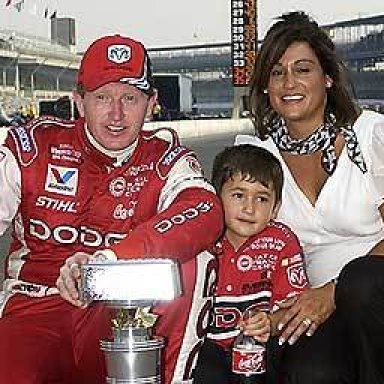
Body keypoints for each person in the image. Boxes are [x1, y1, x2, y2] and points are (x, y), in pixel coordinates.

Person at [0, 34, 223, 383]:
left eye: (130, 98)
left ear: (152, 104)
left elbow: (204, 210)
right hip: (34, 308)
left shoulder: (165, 160)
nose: (116, 114)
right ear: (79, 101)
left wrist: (107, 261)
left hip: (121, 313)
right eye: (102, 97)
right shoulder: (30, 148)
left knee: (196, 260)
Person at [236, 11, 384, 384]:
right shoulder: (257, 158)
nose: (289, 82)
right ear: (266, 87)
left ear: (328, 78)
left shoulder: (370, 137)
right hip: (312, 304)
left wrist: (333, 291)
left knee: (360, 282)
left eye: (303, 69)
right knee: (311, 369)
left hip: (372, 292)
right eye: (277, 72)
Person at [193, 144, 308, 384]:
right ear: (215, 197)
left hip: (263, 347)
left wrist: (270, 323)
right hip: (206, 349)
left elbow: (294, 307)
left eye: (262, 199)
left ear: (275, 209)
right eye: (238, 195)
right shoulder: (197, 238)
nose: (249, 208)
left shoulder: (281, 242)